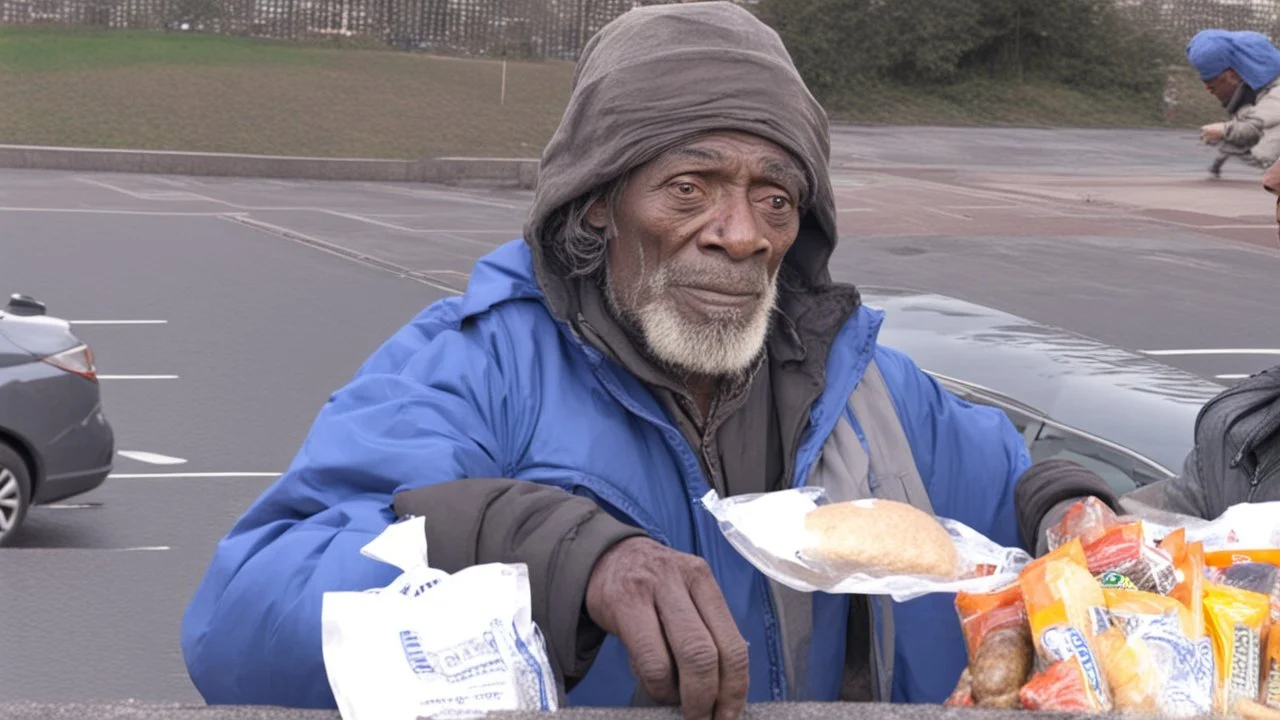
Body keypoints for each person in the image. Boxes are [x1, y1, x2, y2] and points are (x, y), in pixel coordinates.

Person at [179, 2, 1117, 715]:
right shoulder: (478, 368)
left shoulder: (862, 386)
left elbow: (1015, 490)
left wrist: (1071, 509)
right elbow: (242, 615)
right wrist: (561, 557)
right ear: (598, 202)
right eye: (689, 186)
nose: (740, 234)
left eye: (774, 198)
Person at [1187, 29, 1280, 176]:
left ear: (1231, 76)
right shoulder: (1252, 86)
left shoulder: (1275, 94)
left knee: (1263, 155)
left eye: (1213, 85)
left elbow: (1252, 127)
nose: (1208, 90)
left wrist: (1223, 131)